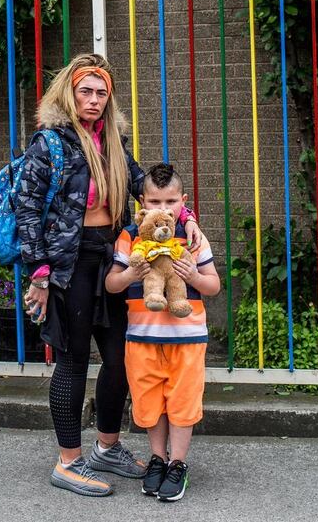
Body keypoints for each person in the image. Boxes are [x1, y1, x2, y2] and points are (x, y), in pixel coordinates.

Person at [15, 53, 201, 497]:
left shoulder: (113, 141)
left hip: (113, 254)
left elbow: (147, 189)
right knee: (74, 359)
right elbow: (27, 208)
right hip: (70, 260)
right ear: (69, 93)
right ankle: (68, 461)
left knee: (120, 356)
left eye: (101, 93)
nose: (94, 100)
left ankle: (107, 447)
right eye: (86, 91)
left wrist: (186, 214)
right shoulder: (51, 143)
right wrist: (39, 275)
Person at [106, 162, 220, 502]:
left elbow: (213, 285)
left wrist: (194, 278)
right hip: (142, 338)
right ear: (142, 202)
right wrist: (130, 276)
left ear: (183, 201)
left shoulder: (194, 237)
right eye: (155, 203)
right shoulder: (130, 237)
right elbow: (112, 283)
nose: (163, 210)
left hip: (187, 339)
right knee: (149, 402)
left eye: (170, 202)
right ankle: (157, 458)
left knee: (183, 401)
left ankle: (178, 463)